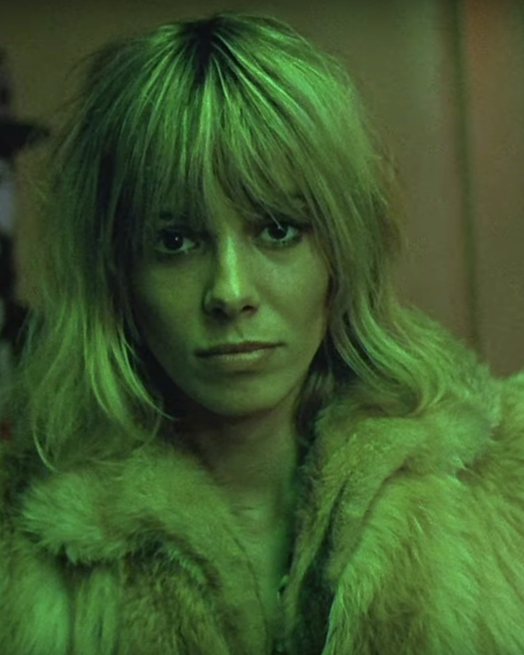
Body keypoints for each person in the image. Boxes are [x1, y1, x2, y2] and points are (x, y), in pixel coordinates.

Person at [0, 11, 523, 655]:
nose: (230, 292)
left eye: (277, 230)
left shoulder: (505, 478)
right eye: (175, 241)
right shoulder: (23, 544)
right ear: (117, 273)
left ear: (341, 253)